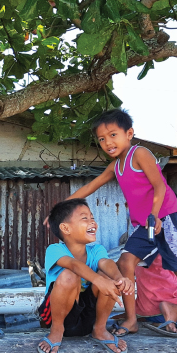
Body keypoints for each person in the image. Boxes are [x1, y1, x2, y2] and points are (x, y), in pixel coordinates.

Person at [45, 108, 177, 338]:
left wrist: (154, 215)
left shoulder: (140, 153)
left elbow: (160, 186)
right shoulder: (116, 166)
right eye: (102, 139)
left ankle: (165, 312)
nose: (108, 142)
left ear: (129, 133)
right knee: (126, 262)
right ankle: (132, 318)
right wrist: (58, 210)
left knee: (170, 266)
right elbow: (90, 187)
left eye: (113, 135)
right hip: (143, 224)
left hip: (165, 218)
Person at [37, 199, 133, 353]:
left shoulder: (97, 249)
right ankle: (56, 331)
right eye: (84, 218)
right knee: (69, 275)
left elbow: (106, 262)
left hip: (89, 317)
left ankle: (100, 330)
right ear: (66, 228)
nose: (92, 222)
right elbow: (74, 265)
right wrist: (98, 280)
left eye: (92, 217)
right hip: (59, 316)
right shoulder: (54, 249)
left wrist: (120, 279)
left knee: (110, 277)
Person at [135, 254, 177, 334]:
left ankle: (165, 321)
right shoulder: (171, 247)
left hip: (147, 313)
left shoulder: (133, 252)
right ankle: (171, 309)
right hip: (166, 309)